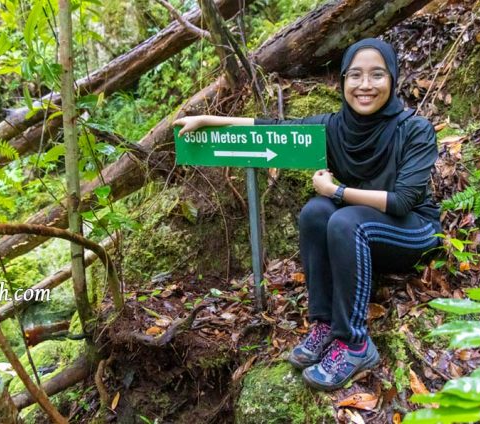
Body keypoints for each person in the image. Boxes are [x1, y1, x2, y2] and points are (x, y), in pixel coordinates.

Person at [173, 38, 440, 391]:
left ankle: (356, 344)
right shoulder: (334, 127)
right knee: (316, 212)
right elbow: (275, 129)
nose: (365, 85)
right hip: (362, 230)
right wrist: (209, 119)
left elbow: (404, 201)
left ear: (392, 79)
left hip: (414, 231)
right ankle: (325, 324)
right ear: (343, 80)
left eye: (377, 75)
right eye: (355, 75)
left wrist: (338, 192)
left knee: (343, 217)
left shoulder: (415, 129)